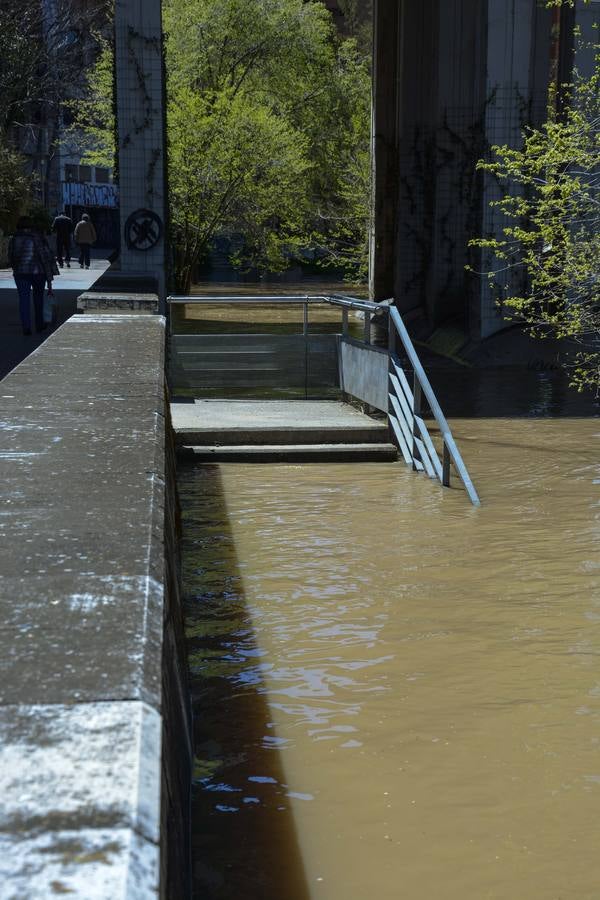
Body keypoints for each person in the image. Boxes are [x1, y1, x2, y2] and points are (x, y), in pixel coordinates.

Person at [8, 217, 59, 336]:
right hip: (38, 273)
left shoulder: (14, 238)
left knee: (23, 300)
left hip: (21, 273)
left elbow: (10, 256)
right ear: (32, 226)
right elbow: (46, 257)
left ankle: (26, 327)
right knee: (38, 299)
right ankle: (39, 324)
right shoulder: (38, 237)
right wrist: (49, 278)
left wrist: (16, 268)